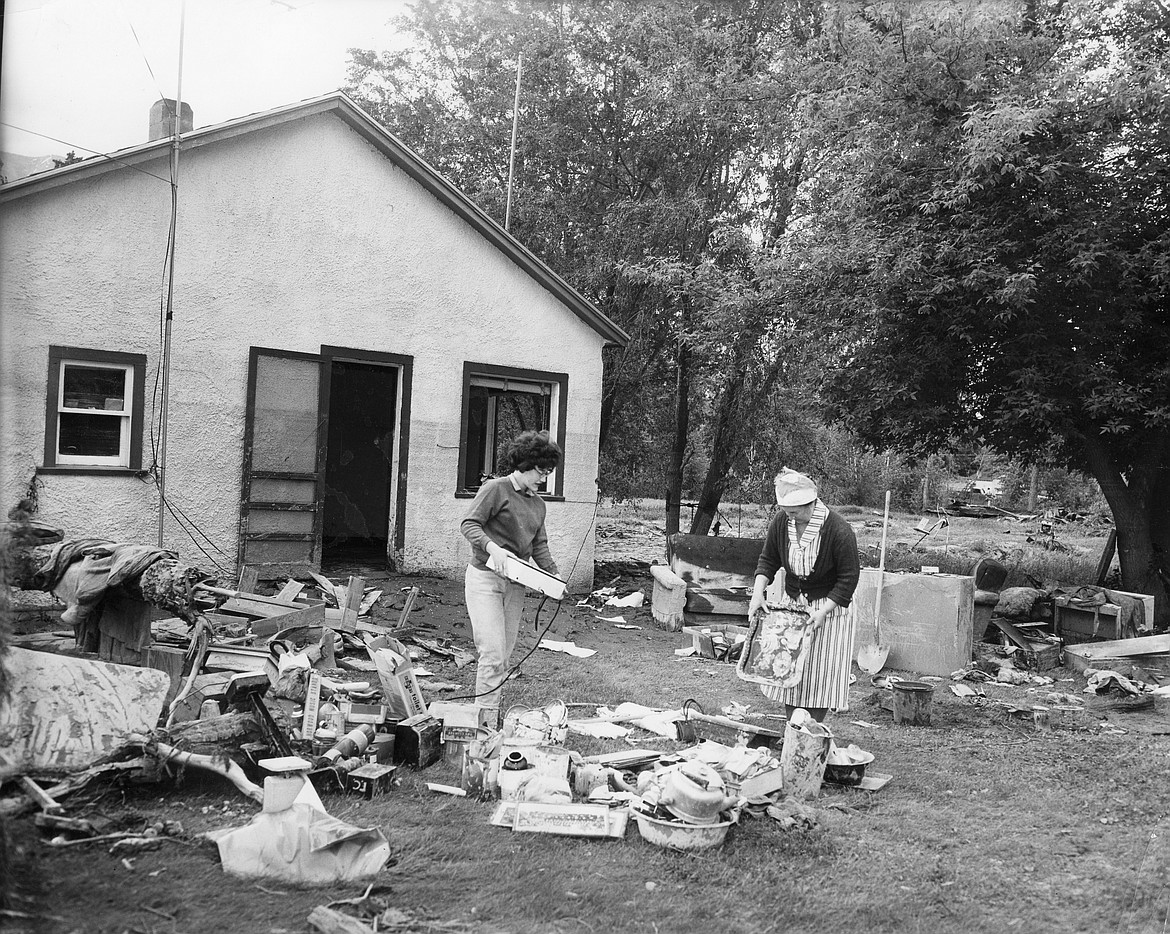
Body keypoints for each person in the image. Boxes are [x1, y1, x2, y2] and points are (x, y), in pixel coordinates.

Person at [460, 429, 561, 716]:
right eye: (541, 471)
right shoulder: (496, 489)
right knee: (491, 653)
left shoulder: (538, 504)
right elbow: (469, 525)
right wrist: (492, 548)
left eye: (548, 472)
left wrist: (555, 579)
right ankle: (484, 722)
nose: (544, 478)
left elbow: (539, 546)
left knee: (503, 656)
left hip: (516, 584)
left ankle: (489, 714)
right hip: (485, 578)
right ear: (525, 464)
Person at [747, 468, 860, 723]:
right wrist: (757, 594)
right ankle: (793, 727)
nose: (790, 516)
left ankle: (810, 731)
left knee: (818, 675)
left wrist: (823, 611)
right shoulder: (782, 522)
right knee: (790, 667)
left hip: (828, 610)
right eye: (786, 511)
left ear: (811, 504)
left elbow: (848, 578)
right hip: (794, 606)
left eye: (794, 512)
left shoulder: (838, 530)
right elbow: (768, 560)